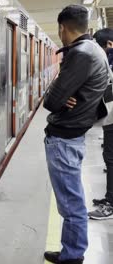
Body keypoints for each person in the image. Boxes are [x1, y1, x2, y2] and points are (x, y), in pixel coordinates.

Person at [42, 5, 109, 264]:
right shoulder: (95, 50)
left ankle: (72, 257)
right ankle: (71, 250)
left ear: (62, 27)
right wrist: (63, 93)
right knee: (71, 200)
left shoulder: (80, 54)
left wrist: (58, 93)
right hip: (75, 135)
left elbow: (51, 100)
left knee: (71, 204)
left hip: (64, 138)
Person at [88, 28, 113, 220]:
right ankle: (109, 198)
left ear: (110, 45)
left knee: (111, 158)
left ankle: (111, 205)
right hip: (109, 118)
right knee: (109, 157)